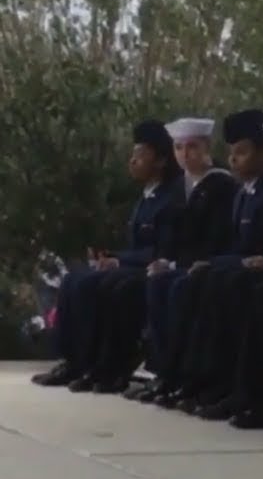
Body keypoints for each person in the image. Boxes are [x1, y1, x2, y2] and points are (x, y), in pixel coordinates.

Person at [32, 121, 183, 390]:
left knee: (108, 286)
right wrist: (111, 256)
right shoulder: (146, 196)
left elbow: (163, 250)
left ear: (160, 160)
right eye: (132, 154)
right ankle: (74, 360)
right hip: (135, 266)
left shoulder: (172, 196)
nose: (132, 161)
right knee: (73, 281)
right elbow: (137, 246)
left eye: (140, 155)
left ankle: (108, 367)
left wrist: (120, 261)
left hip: (156, 269)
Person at [154, 109, 263, 415]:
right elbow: (237, 247)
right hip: (246, 267)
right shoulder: (245, 194)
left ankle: (237, 389)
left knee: (228, 286)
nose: (234, 160)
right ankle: (197, 380)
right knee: (204, 279)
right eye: (232, 152)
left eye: (242, 152)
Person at [127, 117, 238, 403]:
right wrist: (167, 261)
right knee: (157, 283)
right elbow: (173, 239)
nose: (185, 153)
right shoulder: (179, 188)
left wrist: (179, 264)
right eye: (178, 147)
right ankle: (165, 373)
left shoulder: (221, 185)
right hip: (181, 264)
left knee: (179, 291)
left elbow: (216, 236)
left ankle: (189, 377)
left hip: (209, 262)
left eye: (192, 146)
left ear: (206, 148)